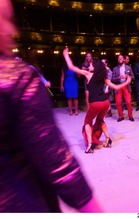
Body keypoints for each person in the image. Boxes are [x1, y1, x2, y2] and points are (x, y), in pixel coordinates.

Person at [0, 0, 101, 212]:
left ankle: (95, 141)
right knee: (93, 121)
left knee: (89, 122)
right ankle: (99, 139)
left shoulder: (89, 71)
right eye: (7, 19)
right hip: (22, 203)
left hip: (97, 101)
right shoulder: (16, 77)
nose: (13, 29)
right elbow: (55, 160)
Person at [63, 48, 131, 153]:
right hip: (105, 102)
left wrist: (66, 55)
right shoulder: (103, 77)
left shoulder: (88, 74)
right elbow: (116, 87)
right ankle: (108, 139)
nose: (88, 66)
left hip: (96, 104)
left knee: (87, 122)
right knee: (100, 121)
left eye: (91, 65)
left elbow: (71, 67)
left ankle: (90, 145)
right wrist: (127, 81)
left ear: (94, 68)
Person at [111, 55, 135, 122]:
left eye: (121, 58)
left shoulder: (128, 68)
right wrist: (118, 78)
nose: (120, 59)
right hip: (118, 86)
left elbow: (133, 77)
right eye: (118, 58)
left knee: (128, 102)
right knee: (118, 102)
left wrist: (128, 76)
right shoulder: (115, 69)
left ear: (124, 59)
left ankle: (130, 116)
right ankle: (120, 116)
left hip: (126, 86)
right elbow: (112, 79)